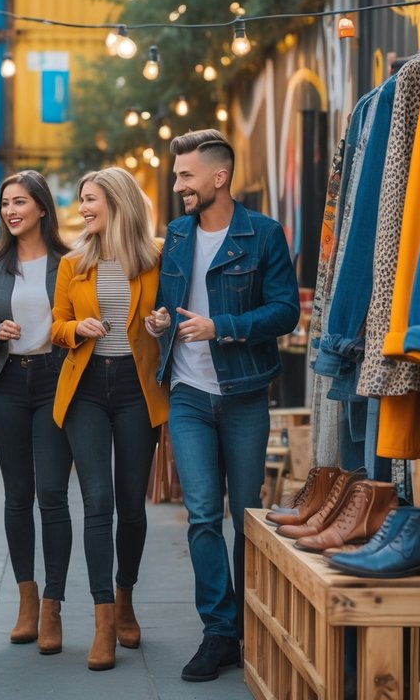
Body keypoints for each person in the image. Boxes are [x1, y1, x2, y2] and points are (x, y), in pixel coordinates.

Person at [146, 131, 299, 682]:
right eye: (177, 175)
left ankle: (250, 624)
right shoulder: (178, 234)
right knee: (204, 516)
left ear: (219, 177)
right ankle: (218, 631)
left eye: (186, 175)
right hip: (187, 395)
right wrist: (162, 322)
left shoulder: (263, 235)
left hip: (243, 393)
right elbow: (172, 304)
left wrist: (224, 327)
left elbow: (285, 313)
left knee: (247, 514)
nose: (178, 184)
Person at [50, 168, 168, 671]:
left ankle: (125, 597)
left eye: (91, 199)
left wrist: (165, 322)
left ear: (117, 202)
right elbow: (54, 326)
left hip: (138, 390)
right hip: (87, 389)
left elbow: (175, 312)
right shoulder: (73, 264)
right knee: (97, 501)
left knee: (132, 507)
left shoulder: (157, 258)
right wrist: (77, 327)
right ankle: (102, 622)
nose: (84, 208)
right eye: (82, 200)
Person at [0, 170, 74, 651]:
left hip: (57, 379)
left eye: (19, 203)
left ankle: (53, 606)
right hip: (8, 385)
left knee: (52, 494)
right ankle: (26, 602)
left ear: (41, 208)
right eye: (5, 204)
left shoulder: (69, 261)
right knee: (18, 495)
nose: (10, 211)